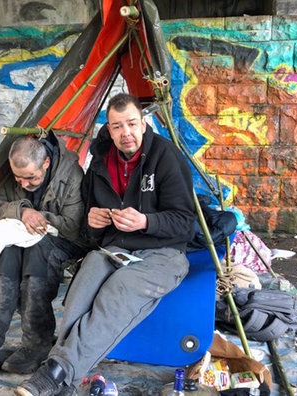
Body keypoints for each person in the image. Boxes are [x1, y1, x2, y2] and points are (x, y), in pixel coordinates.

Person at [15, 93, 197, 396]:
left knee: (118, 290)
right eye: (117, 126)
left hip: (164, 253)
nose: (126, 133)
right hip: (116, 248)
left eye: (131, 124)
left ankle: (55, 371)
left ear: (143, 123)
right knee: (83, 286)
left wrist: (146, 222)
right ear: (108, 129)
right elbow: (90, 233)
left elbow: (185, 222)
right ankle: (66, 381)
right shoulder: (100, 163)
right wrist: (94, 220)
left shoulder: (166, 157)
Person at [0, 135, 88, 375]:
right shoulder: (14, 170)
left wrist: (41, 218)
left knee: (38, 253)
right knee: (5, 255)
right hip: (23, 234)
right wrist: (22, 211)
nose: (24, 184)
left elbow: (73, 226)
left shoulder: (71, 174)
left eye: (31, 178)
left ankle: (36, 344)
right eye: (18, 179)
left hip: (63, 239)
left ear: (46, 163)